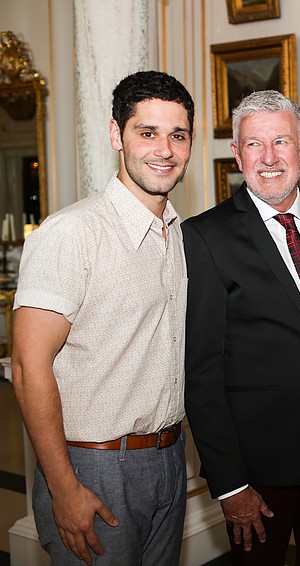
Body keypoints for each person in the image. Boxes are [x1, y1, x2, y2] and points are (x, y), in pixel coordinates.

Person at [11, 70, 194, 565]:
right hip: (93, 466)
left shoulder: (177, 235)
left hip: (170, 458)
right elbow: (29, 367)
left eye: (178, 135)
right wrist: (64, 486)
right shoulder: (71, 233)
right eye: (147, 132)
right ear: (117, 136)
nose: (165, 149)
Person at [183, 90, 300, 565]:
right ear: (238, 155)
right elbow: (200, 372)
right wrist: (230, 483)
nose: (268, 158)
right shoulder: (206, 236)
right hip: (258, 465)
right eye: (253, 144)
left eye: (280, 141)